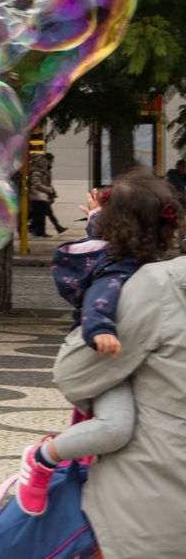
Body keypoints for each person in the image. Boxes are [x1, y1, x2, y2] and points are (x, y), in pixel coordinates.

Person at [16, 166, 179, 519]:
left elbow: (99, 231)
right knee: (116, 428)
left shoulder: (118, 245)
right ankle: (43, 458)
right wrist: (101, 330)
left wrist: (96, 215)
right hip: (103, 352)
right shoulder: (121, 263)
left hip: (128, 351)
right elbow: (100, 299)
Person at [53, 214, 186, 558]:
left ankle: (42, 457)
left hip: (151, 499)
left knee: (114, 423)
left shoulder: (159, 283)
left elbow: (73, 372)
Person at [27, 152, 62, 237]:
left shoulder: (44, 172)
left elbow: (47, 183)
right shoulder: (37, 172)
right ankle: (38, 230)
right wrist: (49, 190)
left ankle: (37, 230)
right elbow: (37, 184)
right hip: (38, 196)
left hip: (42, 196)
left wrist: (52, 191)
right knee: (40, 215)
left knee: (39, 214)